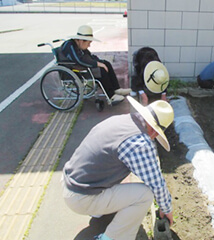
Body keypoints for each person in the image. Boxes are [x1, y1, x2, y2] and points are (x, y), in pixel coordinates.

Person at [62, 96, 174, 240]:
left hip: (70, 181)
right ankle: (109, 238)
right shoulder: (139, 142)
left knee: (113, 167)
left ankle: (98, 211)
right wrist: (167, 209)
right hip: (80, 197)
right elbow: (156, 183)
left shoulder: (122, 120)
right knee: (144, 195)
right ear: (155, 131)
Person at [61, 25, 131, 104]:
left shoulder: (77, 45)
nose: (89, 45)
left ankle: (116, 89)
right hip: (75, 70)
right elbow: (80, 60)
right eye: (88, 43)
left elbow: (88, 56)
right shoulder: (70, 46)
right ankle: (111, 96)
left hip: (80, 67)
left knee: (106, 63)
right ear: (81, 40)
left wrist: (100, 62)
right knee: (101, 70)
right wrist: (97, 64)